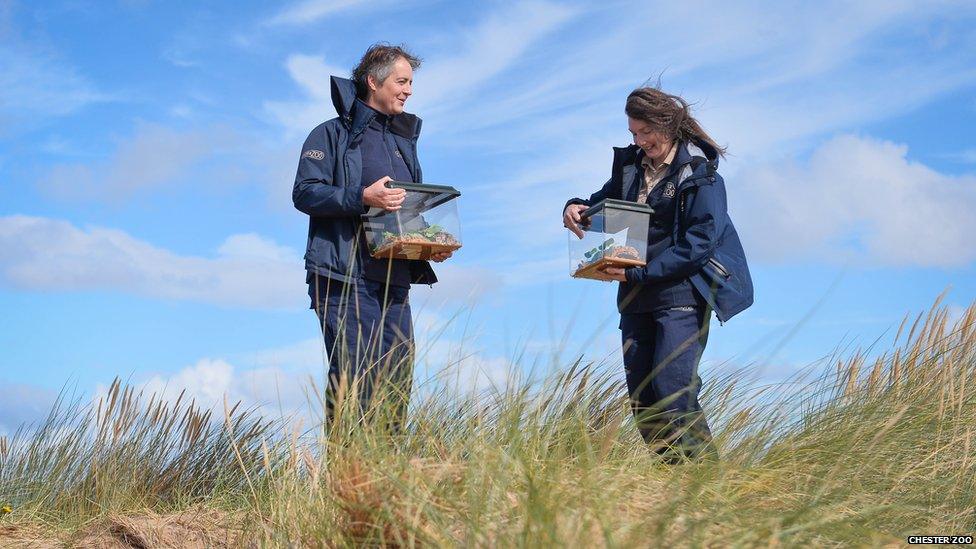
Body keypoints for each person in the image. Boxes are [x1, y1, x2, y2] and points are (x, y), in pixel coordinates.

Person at [562, 87, 753, 461]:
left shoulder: (701, 175)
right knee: (643, 399)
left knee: (672, 391)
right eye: (633, 134)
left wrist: (639, 274)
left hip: (681, 296)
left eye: (645, 131)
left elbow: (700, 243)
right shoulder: (632, 166)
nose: (640, 140)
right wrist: (573, 206)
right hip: (635, 299)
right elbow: (599, 201)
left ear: (667, 124)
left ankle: (707, 485)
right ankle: (672, 485)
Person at [292, 43, 451, 430]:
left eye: (411, 82)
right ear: (373, 81)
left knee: (395, 389)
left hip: (394, 281)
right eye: (402, 81)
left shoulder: (403, 143)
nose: (409, 90)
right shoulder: (330, 134)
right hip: (344, 279)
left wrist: (428, 244)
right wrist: (362, 196)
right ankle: (346, 486)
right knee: (353, 387)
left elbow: (407, 211)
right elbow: (305, 192)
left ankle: (384, 486)